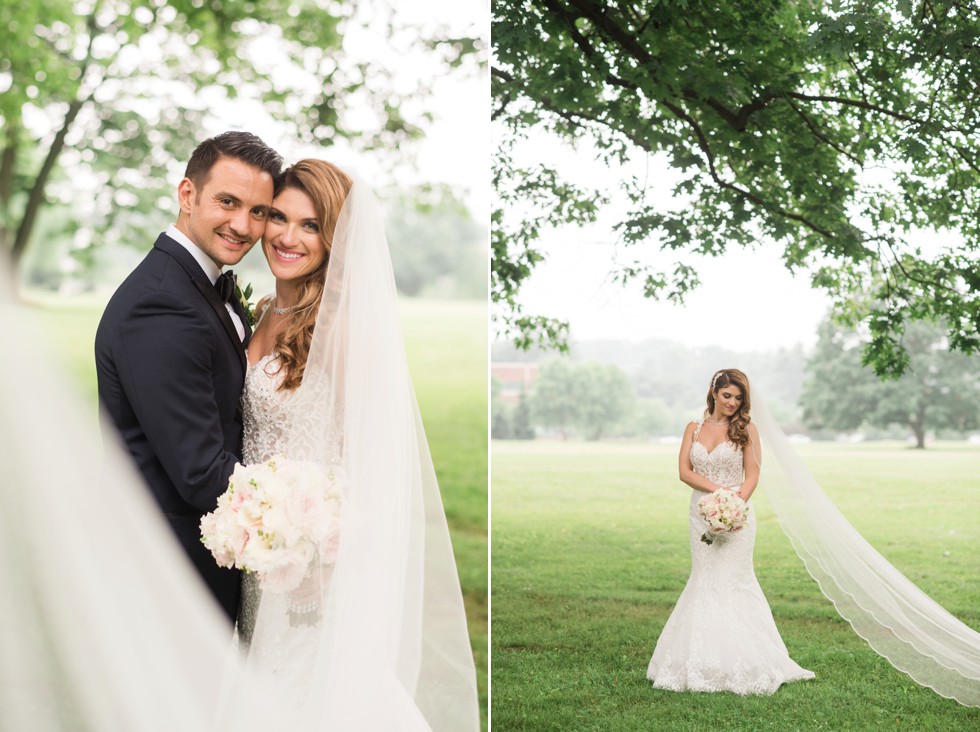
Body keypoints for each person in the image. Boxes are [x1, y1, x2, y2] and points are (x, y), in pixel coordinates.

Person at [224, 159, 480, 730]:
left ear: (337, 236)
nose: (288, 237)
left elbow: (372, 461)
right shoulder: (266, 311)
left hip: (315, 567)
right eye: (279, 218)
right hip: (263, 556)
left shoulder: (339, 327)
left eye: (311, 225)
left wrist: (326, 554)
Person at [95, 131, 283, 624]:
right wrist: (303, 509)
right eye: (227, 202)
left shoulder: (200, 285)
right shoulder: (163, 304)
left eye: (259, 211)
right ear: (186, 194)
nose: (242, 225)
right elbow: (201, 474)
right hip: (173, 571)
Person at [646, 368, 815, 694]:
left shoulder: (747, 428)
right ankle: (701, 661)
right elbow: (684, 471)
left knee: (733, 581)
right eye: (727, 396)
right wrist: (716, 493)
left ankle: (748, 660)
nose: (732, 403)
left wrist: (733, 503)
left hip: (737, 512)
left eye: (738, 398)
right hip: (701, 512)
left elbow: (753, 474)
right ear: (713, 392)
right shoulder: (693, 428)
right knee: (704, 578)